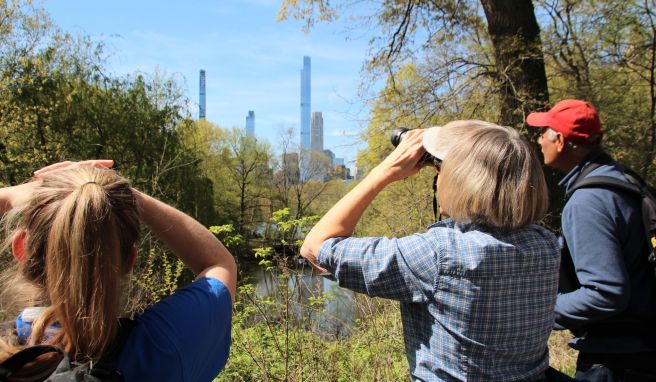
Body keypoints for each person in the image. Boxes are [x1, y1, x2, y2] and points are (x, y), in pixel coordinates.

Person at [300, 121, 560, 381]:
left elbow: (315, 247)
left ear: (462, 180)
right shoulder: (546, 244)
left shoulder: (437, 256)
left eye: (441, 169)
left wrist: (384, 171)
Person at [0, 160, 236, 381]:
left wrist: (10, 196)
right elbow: (218, 263)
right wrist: (129, 195)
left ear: (21, 248)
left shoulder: (5, 350)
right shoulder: (162, 349)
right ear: (129, 260)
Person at [526, 99, 656, 381]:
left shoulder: (588, 201)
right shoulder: (624, 180)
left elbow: (606, 292)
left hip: (619, 362)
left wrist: (539, 311)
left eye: (543, 132)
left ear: (559, 140)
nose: (538, 140)